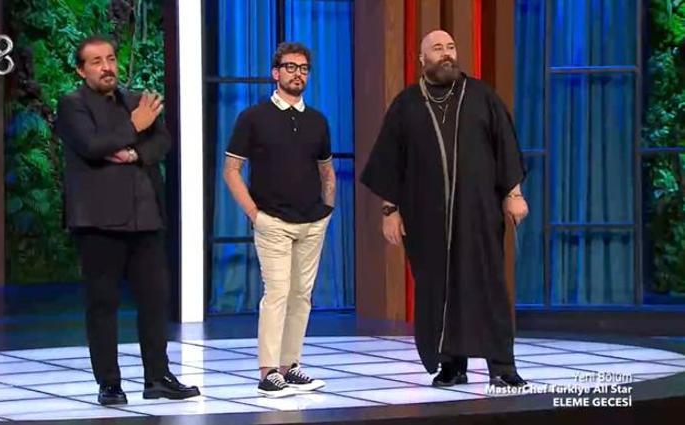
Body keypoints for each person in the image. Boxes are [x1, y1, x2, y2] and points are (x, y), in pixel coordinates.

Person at [360, 30, 529, 388]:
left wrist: (513, 193)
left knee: (488, 285)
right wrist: (390, 211)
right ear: (422, 59)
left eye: (450, 47)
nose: (447, 53)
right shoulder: (407, 104)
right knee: (437, 289)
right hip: (425, 219)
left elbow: (505, 146)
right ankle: (452, 364)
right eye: (437, 48)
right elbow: (391, 161)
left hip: (479, 215)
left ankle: (502, 365)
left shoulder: (481, 96)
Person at [55, 35, 200, 405]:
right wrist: (135, 126)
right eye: (96, 62)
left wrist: (134, 153)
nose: (107, 67)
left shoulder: (136, 100)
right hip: (98, 222)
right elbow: (92, 146)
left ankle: (158, 377)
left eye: (110, 59)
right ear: (81, 70)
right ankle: (109, 383)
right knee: (103, 305)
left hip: (145, 217)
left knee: (154, 301)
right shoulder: (72, 105)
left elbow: (162, 141)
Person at [223, 42, 336, 397]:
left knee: (301, 296)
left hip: (312, 222)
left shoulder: (317, 120)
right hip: (272, 220)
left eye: (303, 68)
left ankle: (290, 366)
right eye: (290, 67)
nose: (297, 73)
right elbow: (231, 170)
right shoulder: (253, 117)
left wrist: (327, 211)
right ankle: (268, 371)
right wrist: (255, 214)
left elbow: (327, 172)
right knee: (277, 294)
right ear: (275, 73)